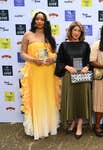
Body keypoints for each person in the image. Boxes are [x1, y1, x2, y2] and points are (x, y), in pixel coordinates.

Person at [20, 11, 60, 140]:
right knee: (37, 97)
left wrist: (52, 59)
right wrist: (32, 60)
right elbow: (22, 53)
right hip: (34, 71)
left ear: (45, 21)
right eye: (37, 19)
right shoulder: (28, 35)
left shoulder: (50, 36)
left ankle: (48, 127)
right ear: (34, 20)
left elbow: (56, 54)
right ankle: (38, 128)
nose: (39, 21)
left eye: (42, 19)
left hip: (48, 71)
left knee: (48, 97)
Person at [55, 21, 92, 139]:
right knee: (71, 100)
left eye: (79, 31)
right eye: (74, 30)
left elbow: (88, 62)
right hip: (69, 77)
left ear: (81, 33)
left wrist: (87, 67)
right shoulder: (63, 45)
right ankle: (73, 122)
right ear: (70, 31)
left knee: (80, 100)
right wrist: (67, 67)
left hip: (82, 77)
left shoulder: (85, 45)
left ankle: (79, 125)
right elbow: (59, 62)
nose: (76, 33)